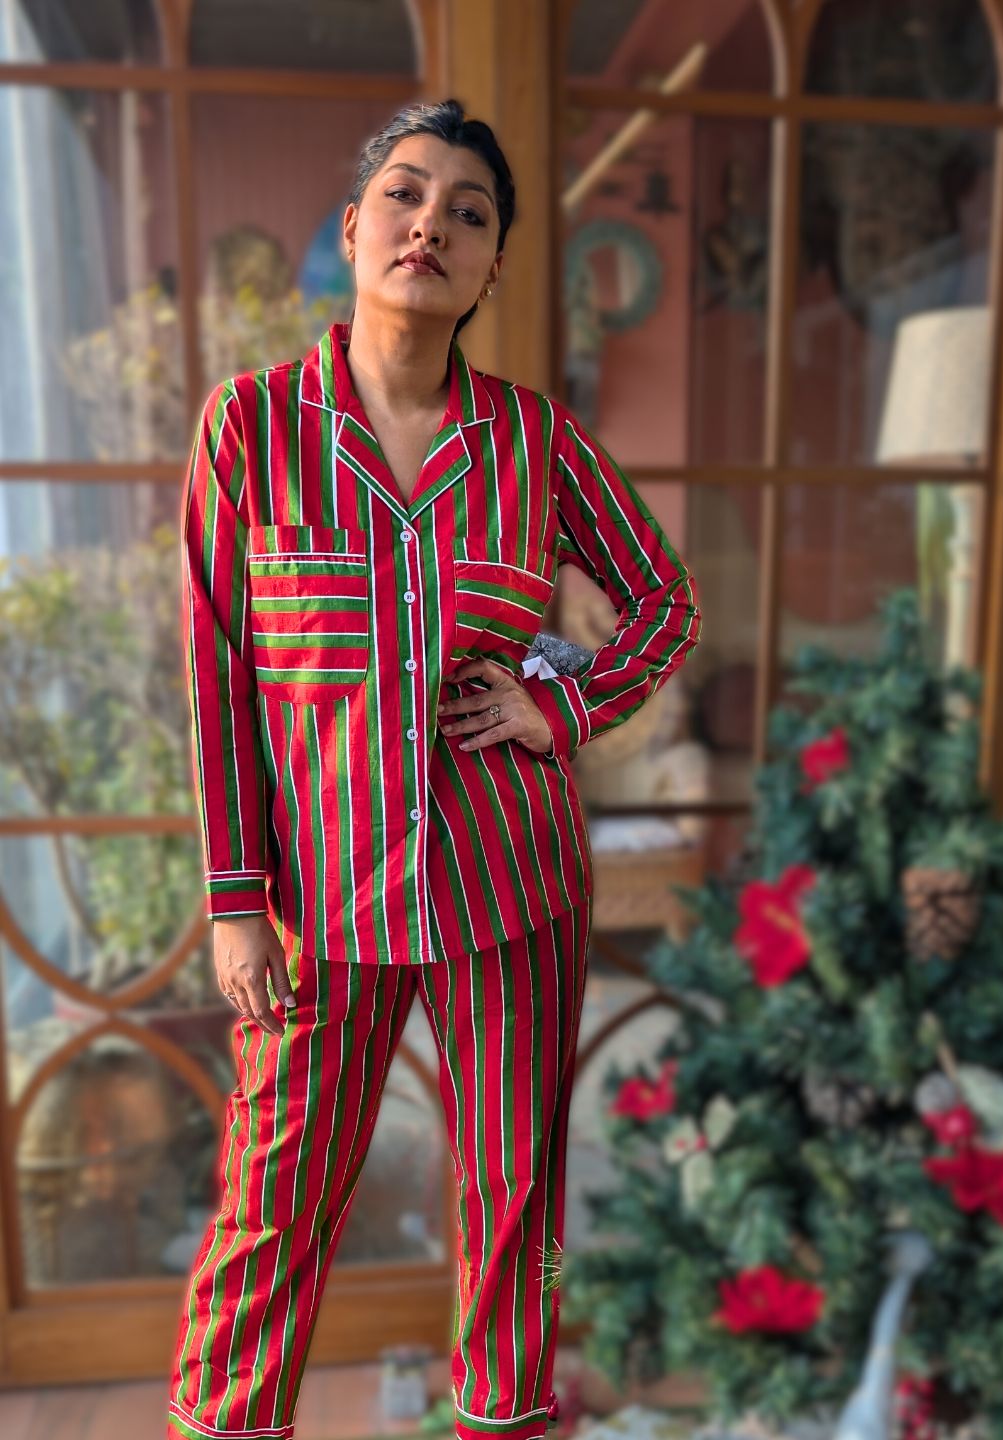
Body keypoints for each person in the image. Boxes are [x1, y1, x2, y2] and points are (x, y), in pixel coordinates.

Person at [168, 97, 702, 1440]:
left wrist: (559, 704)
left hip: (509, 891)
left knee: (517, 1204)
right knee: (268, 1211)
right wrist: (236, 896)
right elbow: (219, 670)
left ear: (493, 266)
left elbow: (663, 604)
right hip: (317, 910)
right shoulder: (253, 431)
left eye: (470, 211)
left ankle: (505, 1421)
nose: (433, 223)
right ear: (352, 230)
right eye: (407, 196)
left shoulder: (540, 445)